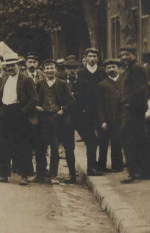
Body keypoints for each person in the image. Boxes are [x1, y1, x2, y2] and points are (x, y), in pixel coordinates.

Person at [0, 53, 38, 186]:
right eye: (8, 66)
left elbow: (34, 100)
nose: (10, 68)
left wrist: (22, 111)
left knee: (22, 146)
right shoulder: (5, 79)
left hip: (19, 114)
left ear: (18, 65)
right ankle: (3, 175)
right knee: (4, 145)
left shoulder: (26, 80)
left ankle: (24, 176)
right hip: (6, 114)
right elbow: (1, 97)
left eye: (12, 65)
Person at [35, 59, 75, 184]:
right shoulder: (40, 84)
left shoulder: (62, 84)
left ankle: (55, 175)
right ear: (43, 70)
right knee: (41, 147)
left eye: (51, 68)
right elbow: (35, 100)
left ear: (56, 69)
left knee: (57, 148)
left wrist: (63, 110)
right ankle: (40, 174)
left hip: (60, 120)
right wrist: (38, 107)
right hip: (44, 119)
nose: (49, 71)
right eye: (47, 68)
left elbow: (72, 101)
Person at [119, 46, 150, 183]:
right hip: (134, 109)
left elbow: (140, 89)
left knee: (129, 140)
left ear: (134, 54)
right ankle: (146, 172)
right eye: (122, 55)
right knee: (140, 140)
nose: (124, 57)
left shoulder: (137, 69)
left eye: (127, 54)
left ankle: (131, 172)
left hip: (133, 110)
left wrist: (128, 103)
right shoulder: (130, 68)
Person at [72, 48, 107, 177]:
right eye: (90, 56)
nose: (92, 58)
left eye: (94, 56)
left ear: (97, 58)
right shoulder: (80, 73)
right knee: (91, 140)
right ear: (85, 58)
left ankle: (101, 165)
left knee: (103, 138)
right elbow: (77, 92)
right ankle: (91, 168)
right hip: (85, 112)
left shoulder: (102, 72)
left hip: (101, 110)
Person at [96, 58, 125, 173]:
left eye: (114, 67)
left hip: (120, 118)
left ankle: (117, 166)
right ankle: (101, 166)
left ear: (118, 68)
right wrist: (102, 120)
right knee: (103, 143)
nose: (111, 69)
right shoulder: (102, 85)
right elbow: (100, 105)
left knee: (117, 142)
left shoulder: (125, 81)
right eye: (109, 68)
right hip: (107, 119)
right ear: (105, 70)